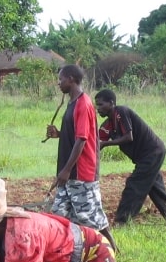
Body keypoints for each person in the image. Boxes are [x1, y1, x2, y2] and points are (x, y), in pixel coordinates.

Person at [44, 65, 116, 250]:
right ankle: (70, 255)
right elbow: (75, 135)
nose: (58, 83)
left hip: (81, 172)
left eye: (61, 79)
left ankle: (113, 250)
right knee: (60, 216)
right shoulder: (72, 103)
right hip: (69, 174)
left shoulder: (83, 104)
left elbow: (82, 140)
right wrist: (59, 134)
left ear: (71, 79)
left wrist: (66, 170)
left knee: (91, 218)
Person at [94, 89, 166, 225]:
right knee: (155, 189)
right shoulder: (107, 125)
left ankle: (122, 221)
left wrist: (106, 143)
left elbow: (128, 137)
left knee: (134, 184)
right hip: (144, 157)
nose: (98, 109)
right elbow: (93, 140)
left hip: (153, 152)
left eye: (101, 105)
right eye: (97, 106)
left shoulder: (121, 112)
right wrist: (62, 134)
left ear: (111, 103)